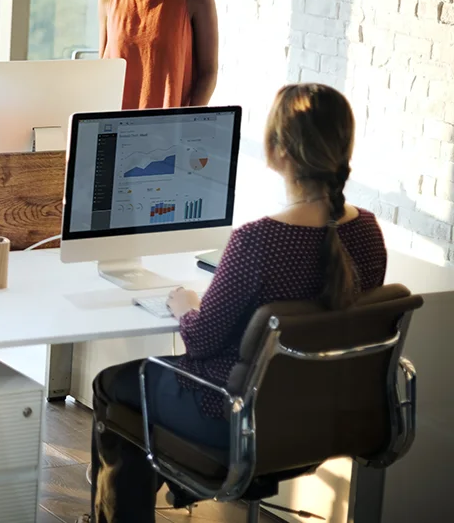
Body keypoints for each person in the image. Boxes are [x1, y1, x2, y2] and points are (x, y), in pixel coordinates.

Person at [85, 84, 386, 523]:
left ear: (277, 149)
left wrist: (188, 305)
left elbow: (203, 341)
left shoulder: (258, 240)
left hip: (232, 414)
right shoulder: (368, 232)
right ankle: (178, 480)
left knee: (115, 386)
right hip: (324, 418)